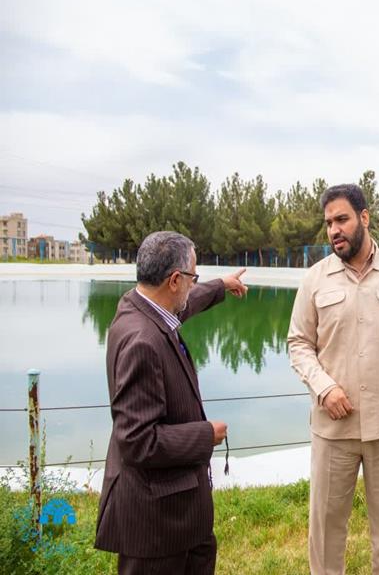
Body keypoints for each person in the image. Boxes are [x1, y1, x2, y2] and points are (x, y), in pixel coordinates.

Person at [287, 183, 379, 575]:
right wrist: (324, 388)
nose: (334, 230)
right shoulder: (315, 279)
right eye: (328, 223)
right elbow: (299, 343)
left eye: (342, 219)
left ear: (364, 218)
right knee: (326, 533)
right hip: (333, 428)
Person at [94, 230, 248, 575]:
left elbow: (183, 305)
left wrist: (220, 286)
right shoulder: (142, 342)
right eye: (194, 278)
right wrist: (205, 434)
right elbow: (138, 441)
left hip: (177, 514)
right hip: (157, 526)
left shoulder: (138, 306)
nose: (195, 285)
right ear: (175, 280)